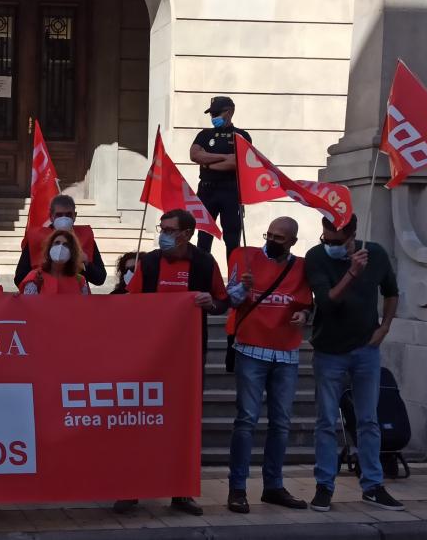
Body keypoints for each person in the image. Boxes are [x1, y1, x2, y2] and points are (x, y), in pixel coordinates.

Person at [114, 209, 229, 517]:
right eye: (162, 228)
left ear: (187, 234)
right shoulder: (150, 262)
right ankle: (131, 489)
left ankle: (182, 492)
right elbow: (131, 301)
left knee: (184, 425)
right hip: (149, 356)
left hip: (188, 357)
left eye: (169, 230)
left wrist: (211, 303)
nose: (163, 234)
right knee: (139, 422)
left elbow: (222, 300)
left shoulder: (204, 263)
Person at [305, 214, 403, 513]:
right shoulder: (316, 257)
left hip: (365, 349)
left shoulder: (375, 253)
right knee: (326, 421)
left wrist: (385, 327)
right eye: (326, 239)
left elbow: (392, 292)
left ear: (352, 235)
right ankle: (324, 485)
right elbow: (327, 301)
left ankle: (372, 485)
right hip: (329, 350)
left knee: (368, 420)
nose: (330, 245)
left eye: (337, 241)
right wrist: (352, 272)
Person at [223, 217, 312, 514]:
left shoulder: (301, 267)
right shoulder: (244, 257)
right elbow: (228, 300)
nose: (271, 241)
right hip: (251, 349)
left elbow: (306, 305)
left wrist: (304, 316)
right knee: (246, 420)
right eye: (269, 235)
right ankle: (237, 488)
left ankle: (273, 485)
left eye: (279, 238)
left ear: (293, 242)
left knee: (281, 424)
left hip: (286, 354)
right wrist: (241, 288)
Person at [189, 96, 251, 258]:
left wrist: (207, 162)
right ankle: (204, 271)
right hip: (207, 190)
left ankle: (233, 272)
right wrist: (224, 157)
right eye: (212, 114)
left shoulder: (241, 135)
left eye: (217, 113)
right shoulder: (204, 134)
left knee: (232, 237)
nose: (213, 117)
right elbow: (195, 155)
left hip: (230, 190)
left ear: (229, 112)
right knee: (203, 236)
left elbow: (237, 163)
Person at [13, 195, 107, 288]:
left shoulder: (85, 237)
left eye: (68, 215)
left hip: (74, 294)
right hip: (45, 294)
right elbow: (19, 278)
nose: (64, 218)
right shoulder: (36, 238)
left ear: (74, 216)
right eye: (59, 215)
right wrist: (37, 279)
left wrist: (87, 264)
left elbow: (100, 279)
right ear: (51, 216)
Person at [19, 229, 90, 295]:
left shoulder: (80, 281)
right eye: (57, 243)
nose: (60, 247)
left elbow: (85, 303)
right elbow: (29, 303)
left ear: (72, 252)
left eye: (66, 245)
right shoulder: (35, 277)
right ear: (49, 248)